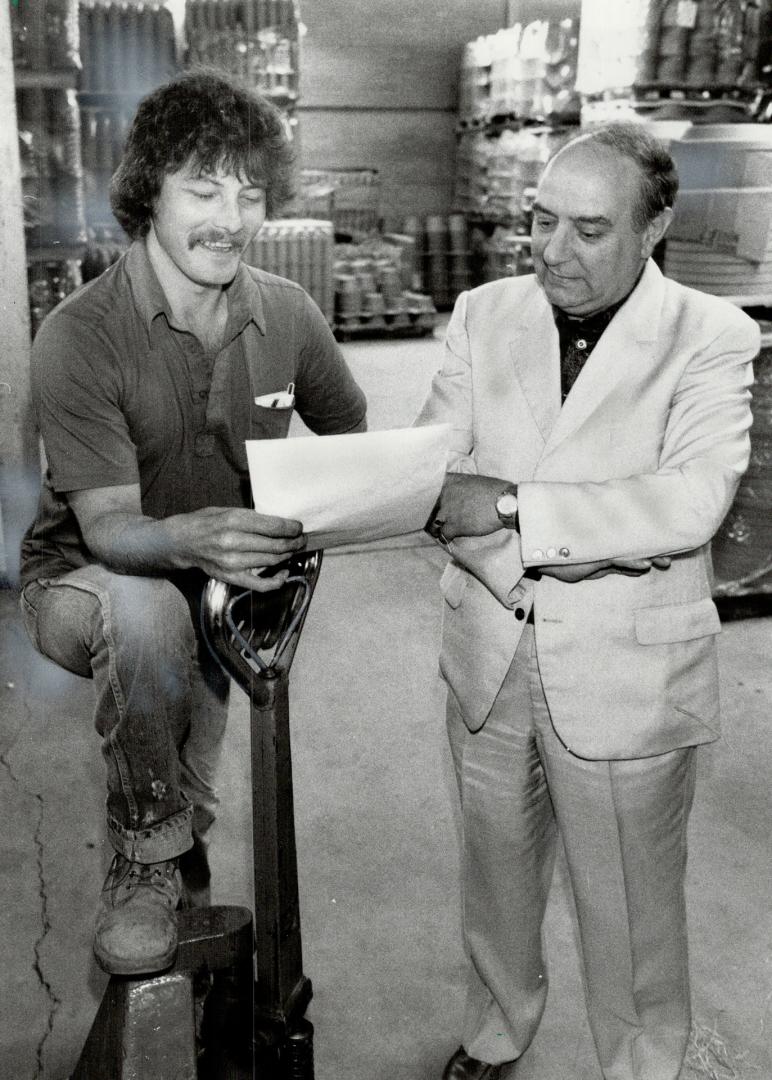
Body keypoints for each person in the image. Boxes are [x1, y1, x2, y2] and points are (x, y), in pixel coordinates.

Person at [417, 123, 758, 1080]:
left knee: (632, 903)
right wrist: (491, 515)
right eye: (541, 222)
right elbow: (437, 474)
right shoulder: (485, 313)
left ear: (654, 229)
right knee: (495, 872)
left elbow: (688, 501)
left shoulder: (711, 336)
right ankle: (497, 1030)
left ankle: (645, 1065)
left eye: (588, 230)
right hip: (487, 649)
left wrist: (517, 505)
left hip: (627, 669)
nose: (553, 252)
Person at [18, 69, 367, 977]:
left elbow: (351, 437)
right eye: (203, 188)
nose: (231, 216)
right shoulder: (80, 333)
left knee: (192, 778)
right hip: (85, 584)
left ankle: (178, 862)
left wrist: (346, 506)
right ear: (149, 193)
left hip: (219, 587)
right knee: (146, 615)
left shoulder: (284, 313)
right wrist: (204, 537)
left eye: (250, 193)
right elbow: (108, 530)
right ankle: (142, 859)